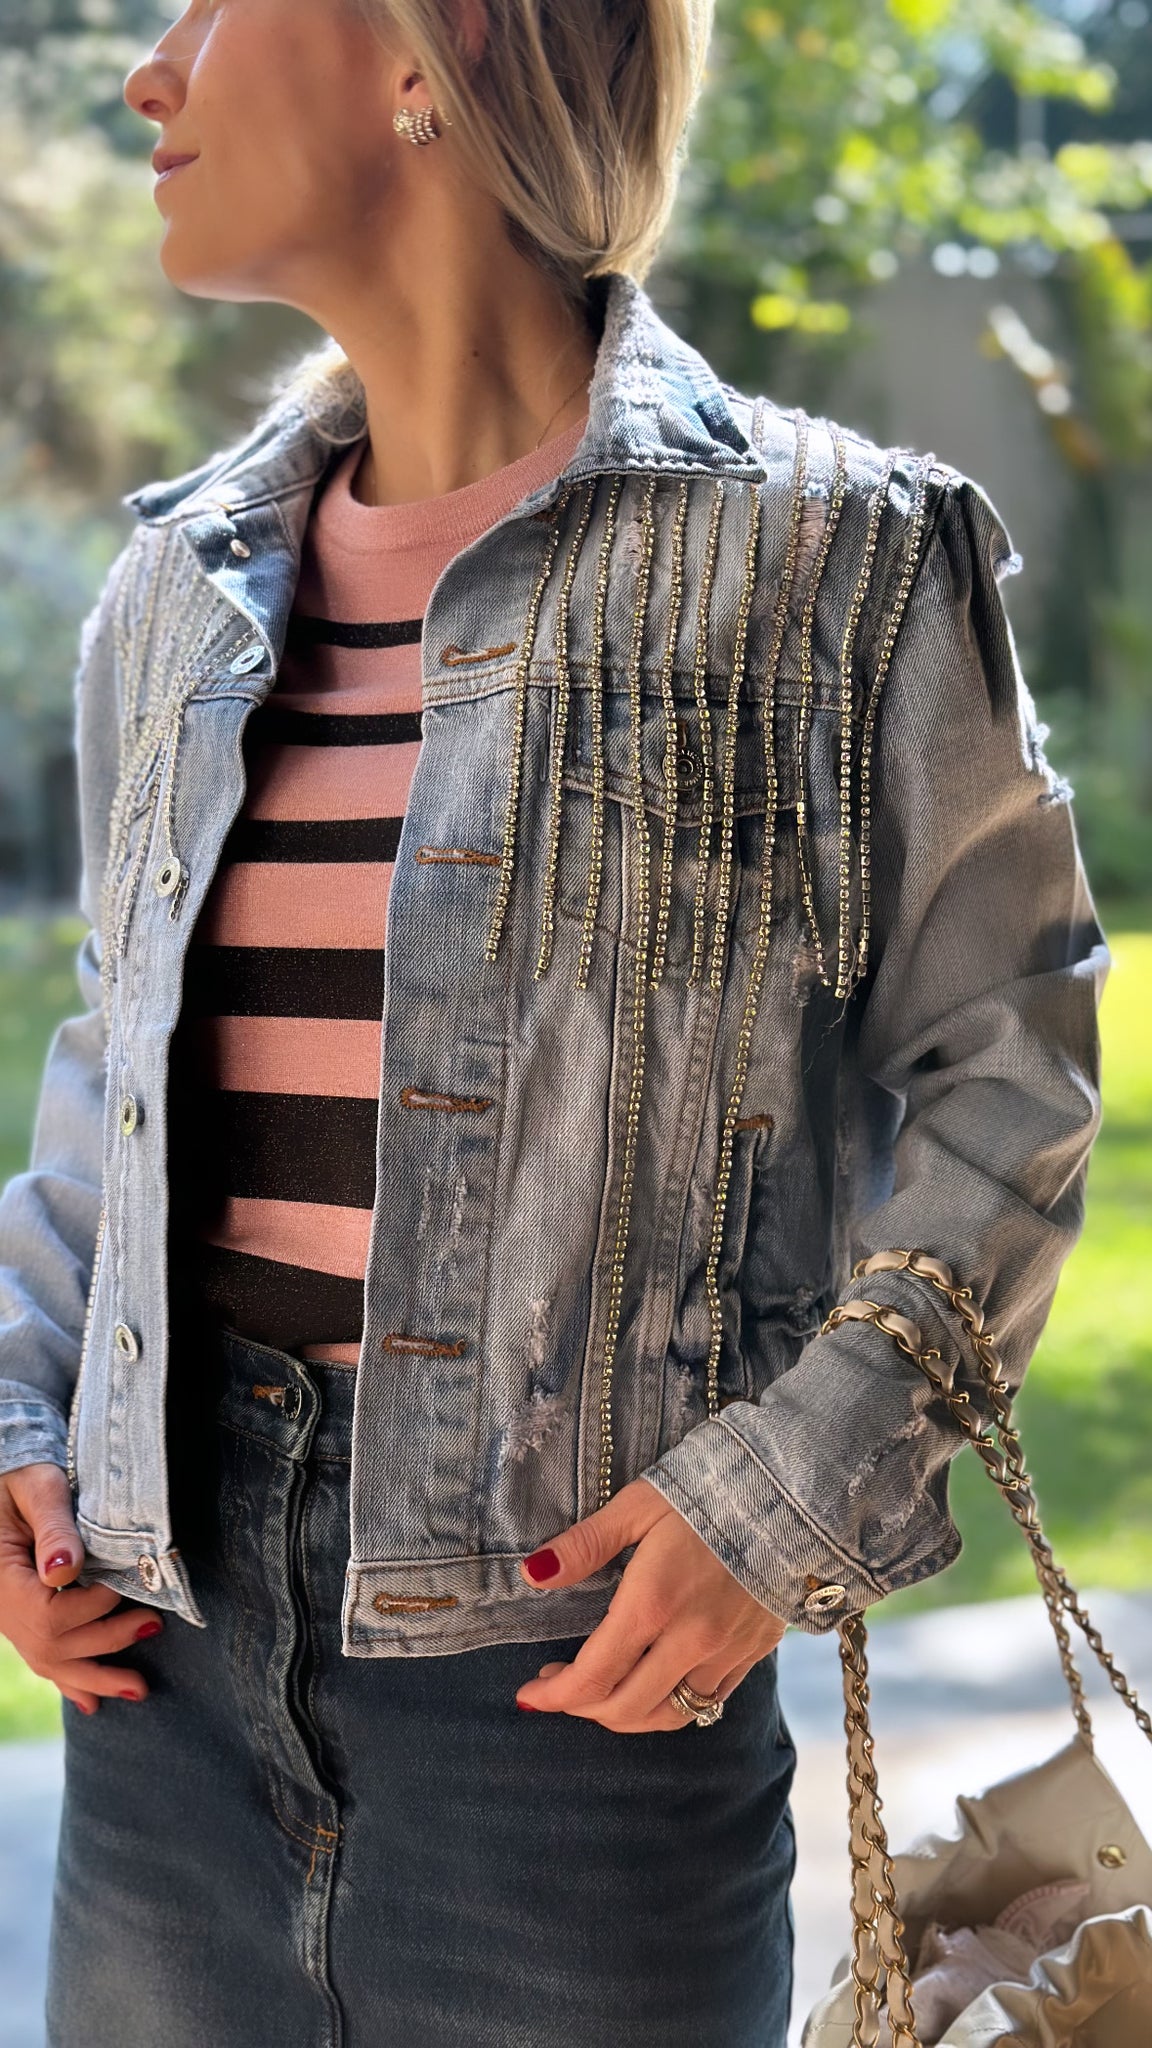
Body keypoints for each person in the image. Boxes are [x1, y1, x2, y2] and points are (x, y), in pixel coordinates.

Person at [0, 1, 1107, 2044]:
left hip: (570, 1722)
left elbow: (1009, 1077)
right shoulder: (172, 593)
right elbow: (111, 1078)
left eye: (213, 1)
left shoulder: (837, 558)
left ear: (433, 51)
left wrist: (783, 1497)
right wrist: (18, 1418)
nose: (151, 68)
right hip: (155, 1697)